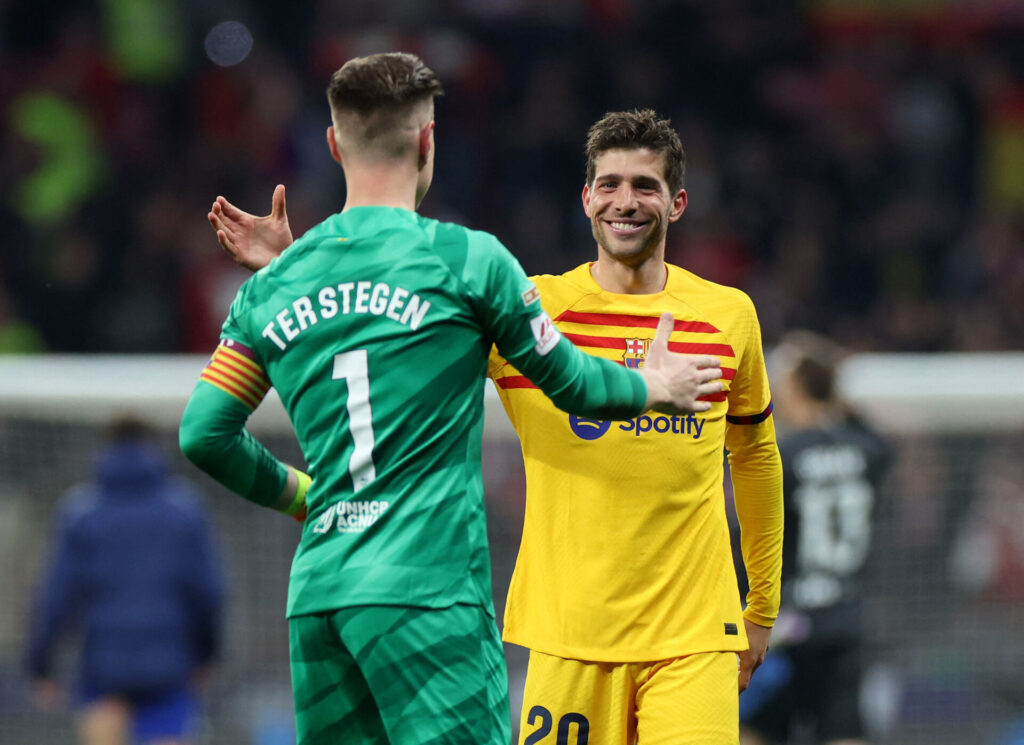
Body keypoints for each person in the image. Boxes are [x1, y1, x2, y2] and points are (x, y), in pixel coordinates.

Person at [182, 54, 724, 745]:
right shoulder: (467, 259)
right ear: (428, 142)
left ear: (333, 145)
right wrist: (657, 384)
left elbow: (204, 433)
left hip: (320, 597)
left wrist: (304, 496)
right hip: (425, 595)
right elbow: (576, 386)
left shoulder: (278, 283)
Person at [25, 415, 224, 745]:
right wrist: (207, 656)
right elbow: (208, 592)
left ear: (104, 450)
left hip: (104, 667)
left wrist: (40, 665)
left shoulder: (81, 514)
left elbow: (56, 597)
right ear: (156, 449)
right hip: (168, 665)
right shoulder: (185, 512)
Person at [739, 330, 891, 745]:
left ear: (793, 388)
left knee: (754, 730)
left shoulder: (785, 457)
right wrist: (835, 392)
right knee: (843, 731)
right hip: (846, 618)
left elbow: (756, 535)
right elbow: (883, 443)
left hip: (788, 623)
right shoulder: (868, 450)